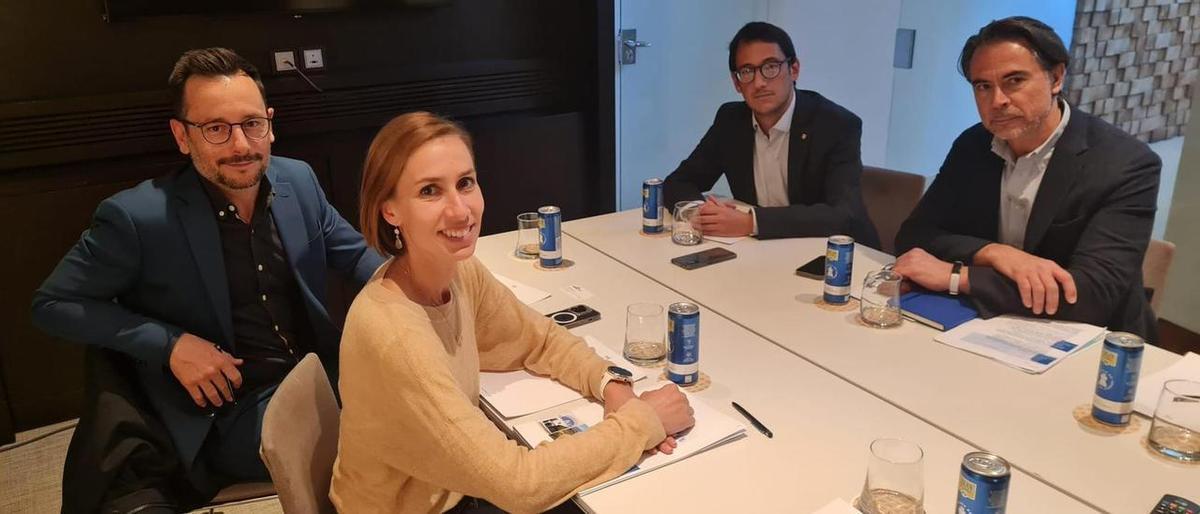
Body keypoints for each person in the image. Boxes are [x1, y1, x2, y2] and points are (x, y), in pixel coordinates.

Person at [30, 47, 385, 511]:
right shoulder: (138, 217)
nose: (240, 145)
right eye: (216, 128)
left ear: (270, 124)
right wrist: (171, 344)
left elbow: (358, 256)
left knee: (432, 401)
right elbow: (52, 304)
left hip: (321, 373)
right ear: (182, 136)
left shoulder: (297, 181)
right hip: (234, 413)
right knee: (386, 442)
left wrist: (422, 296)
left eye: (252, 124)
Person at [331, 111, 695, 513]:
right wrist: (643, 422)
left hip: (448, 493)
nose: (460, 211)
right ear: (390, 210)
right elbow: (519, 485)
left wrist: (613, 387)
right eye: (430, 191)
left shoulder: (456, 272)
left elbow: (538, 339)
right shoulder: (395, 335)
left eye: (465, 183)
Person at [894, 17, 1160, 340]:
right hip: (989, 328)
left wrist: (958, 277)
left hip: (1094, 344)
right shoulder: (973, 144)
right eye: (983, 86)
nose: (998, 101)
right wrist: (995, 253)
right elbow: (914, 235)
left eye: (1014, 80)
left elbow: (1091, 296)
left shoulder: (1126, 163)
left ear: (1057, 77)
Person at [662, 21, 879, 246]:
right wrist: (701, 213)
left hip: (835, 256)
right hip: (764, 251)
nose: (759, 82)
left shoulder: (836, 125)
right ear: (737, 83)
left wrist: (751, 222)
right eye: (747, 72)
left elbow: (843, 215)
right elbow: (679, 181)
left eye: (771, 67)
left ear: (793, 70)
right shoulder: (731, 120)